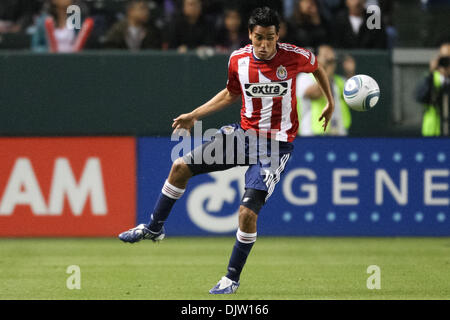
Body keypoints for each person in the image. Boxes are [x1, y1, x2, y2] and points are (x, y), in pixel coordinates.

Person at [118, 7, 334, 294]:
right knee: (180, 167)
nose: (265, 45)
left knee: (246, 213)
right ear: (250, 35)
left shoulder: (295, 56)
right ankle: (154, 227)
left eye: (270, 38)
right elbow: (232, 93)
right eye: (259, 38)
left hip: (275, 146)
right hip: (243, 136)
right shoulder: (238, 60)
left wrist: (330, 101)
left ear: (278, 35)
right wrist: (195, 114)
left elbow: (317, 67)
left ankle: (231, 277)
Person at [297, 45, 352, 136]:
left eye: (332, 57)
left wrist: (349, 73)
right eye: (326, 56)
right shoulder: (305, 78)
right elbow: (315, 94)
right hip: (312, 134)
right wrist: (328, 71)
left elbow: (354, 96)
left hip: (338, 133)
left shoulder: (338, 80)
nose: (330, 60)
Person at [416, 43, 450, 136]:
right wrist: (431, 72)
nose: (446, 64)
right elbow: (420, 96)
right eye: (444, 59)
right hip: (432, 135)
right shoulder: (431, 78)